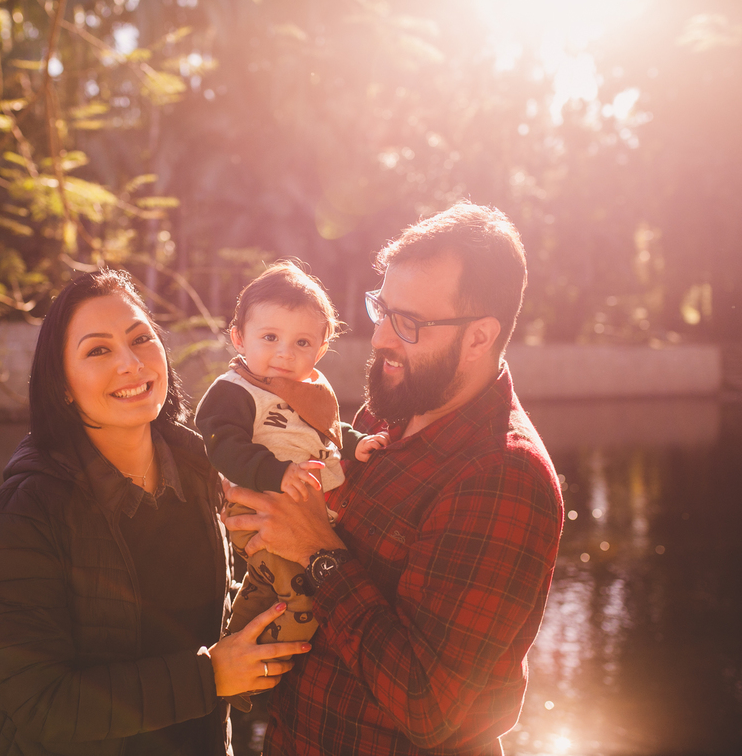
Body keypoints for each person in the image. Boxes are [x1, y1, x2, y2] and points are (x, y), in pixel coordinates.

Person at [224, 202, 565, 755]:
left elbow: (427, 706)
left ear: (479, 338)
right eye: (382, 308)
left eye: (408, 323)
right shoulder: (389, 413)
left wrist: (318, 551)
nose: (380, 337)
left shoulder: (503, 476)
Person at [0, 269, 311, 756]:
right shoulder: (26, 509)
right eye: (98, 350)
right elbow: (40, 705)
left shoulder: (201, 470)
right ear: (62, 384)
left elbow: (187, 613)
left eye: (141, 339)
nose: (130, 363)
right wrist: (209, 677)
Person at [193, 262, 388, 710]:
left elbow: (319, 431)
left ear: (320, 350)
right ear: (239, 338)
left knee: (267, 590)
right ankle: (246, 681)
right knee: (300, 594)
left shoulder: (304, 390)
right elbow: (223, 443)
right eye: (270, 338)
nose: (285, 353)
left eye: (301, 343)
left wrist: (354, 444)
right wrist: (278, 473)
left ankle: (241, 646)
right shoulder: (236, 390)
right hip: (261, 512)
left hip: (298, 515)